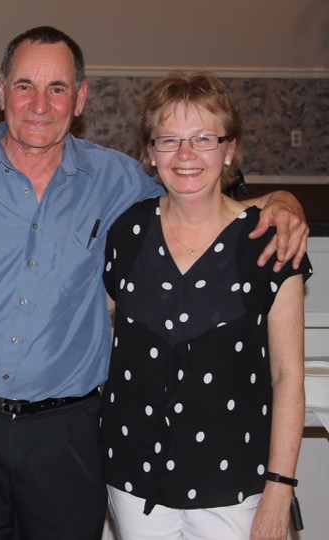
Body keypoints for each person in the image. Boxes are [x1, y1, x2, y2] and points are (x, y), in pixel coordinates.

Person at [0, 26, 309, 539]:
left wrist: (282, 203)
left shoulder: (121, 184)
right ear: (1, 92)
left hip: (71, 433)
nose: (40, 104)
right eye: (25, 86)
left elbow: (199, 196)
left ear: (81, 97)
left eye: (58, 88)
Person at [100, 71, 312, 540]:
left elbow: (287, 375)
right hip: (135, 479)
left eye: (203, 138)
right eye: (169, 139)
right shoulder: (127, 234)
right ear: (150, 153)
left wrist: (279, 490)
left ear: (229, 149)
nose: (186, 155)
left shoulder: (270, 242)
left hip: (236, 484)